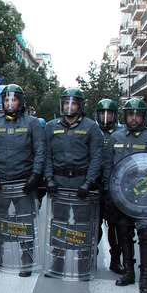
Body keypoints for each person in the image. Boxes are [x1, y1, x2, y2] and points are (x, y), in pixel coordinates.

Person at [0, 84, 45, 274]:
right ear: (2, 102)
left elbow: (40, 152)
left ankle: (27, 260)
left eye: (14, 99)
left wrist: (34, 178)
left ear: (20, 102)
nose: (10, 103)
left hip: (23, 183)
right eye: (7, 99)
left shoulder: (32, 124)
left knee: (25, 223)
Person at [103, 98, 147, 293]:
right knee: (124, 233)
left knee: (146, 234)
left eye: (138, 115)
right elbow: (109, 167)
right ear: (125, 116)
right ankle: (128, 272)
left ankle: (145, 277)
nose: (134, 118)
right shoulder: (116, 137)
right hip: (123, 195)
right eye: (131, 114)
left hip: (146, 196)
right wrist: (109, 192)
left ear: (144, 117)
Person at [42, 88, 103, 275]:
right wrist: (49, 178)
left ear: (80, 106)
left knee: (82, 225)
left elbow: (97, 158)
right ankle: (57, 263)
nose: (69, 106)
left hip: (81, 183)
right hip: (59, 183)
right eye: (66, 103)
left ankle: (83, 265)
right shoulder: (51, 127)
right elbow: (46, 156)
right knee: (58, 223)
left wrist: (89, 183)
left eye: (73, 103)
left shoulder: (91, 127)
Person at [96, 99, 126, 275]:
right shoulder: (93, 131)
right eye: (102, 113)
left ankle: (116, 259)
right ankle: (93, 255)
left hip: (114, 186)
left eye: (109, 114)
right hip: (96, 184)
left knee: (114, 226)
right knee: (95, 224)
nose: (105, 117)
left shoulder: (121, 133)